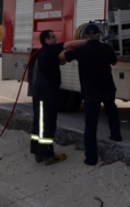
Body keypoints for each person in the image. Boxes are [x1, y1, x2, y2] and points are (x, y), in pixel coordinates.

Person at [59, 24, 121, 166]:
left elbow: (62, 57)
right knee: (111, 110)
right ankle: (116, 135)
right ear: (99, 35)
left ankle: (91, 158)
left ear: (85, 36)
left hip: (90, 91)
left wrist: (74, 46)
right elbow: (114, 62)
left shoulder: (81, 50)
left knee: (91, 126)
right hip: (107, 88)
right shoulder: (106, 48)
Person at [30, 29, 86, 165]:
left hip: (41, 93)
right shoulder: (50, 49)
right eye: (53, 37)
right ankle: (48, 155)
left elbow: (60, 61)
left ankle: (38, 152)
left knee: (39, 122)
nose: (56, 38)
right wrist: (89, 41)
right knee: (47, 124)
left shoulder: (45, 52)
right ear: (47, 40)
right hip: (46, 94)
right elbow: (68, 44)